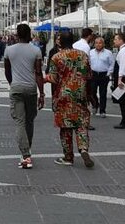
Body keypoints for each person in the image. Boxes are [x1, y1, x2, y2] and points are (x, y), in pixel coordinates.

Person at [45, 30, 94, 168]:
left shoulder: (56, 57)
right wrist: (89, 95)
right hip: (80, 94)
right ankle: (83, 148)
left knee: (65, 127)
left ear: (60, 42)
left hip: (63, 95)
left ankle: (68, 157)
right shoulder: (83, 55)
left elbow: (54, 78)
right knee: (82, 124)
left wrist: (43, 79)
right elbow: (89, 76)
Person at [4, 24, 44, 169]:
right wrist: (42, 93)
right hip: (31, 89)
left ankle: (26, 155)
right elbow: (39, 73)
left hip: (16, 88)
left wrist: (12, 83)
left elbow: (7, 71)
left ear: (16, 35)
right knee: (29, 121)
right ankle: (28, 150)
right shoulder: (36, 50)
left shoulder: (9, 50)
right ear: (29, 35)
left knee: (20, 122)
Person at [89, 37, 114, 118]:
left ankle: (102, 110)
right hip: (93, 74)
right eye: (96, 43)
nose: (98, 44)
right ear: (94, 44)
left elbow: (112, 64)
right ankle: (95, 105)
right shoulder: (90, 52)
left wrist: (108, 73)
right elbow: (88, 63)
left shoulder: (108, 53)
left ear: (103, 44)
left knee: (103, 94)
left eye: (100, 43)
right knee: (92, 92)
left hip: (104, 75)